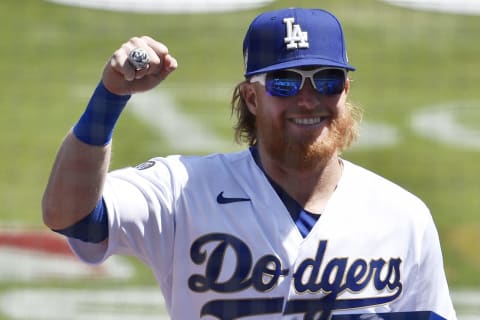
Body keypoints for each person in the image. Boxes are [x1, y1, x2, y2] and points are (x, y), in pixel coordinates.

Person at [42, 7, 457, 320]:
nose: (308, 99)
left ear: (345, 91)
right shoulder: (182, 190)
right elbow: (70, 215)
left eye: (326, 81)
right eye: (286, 83)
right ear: (253, 98)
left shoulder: (402, 215)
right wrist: (111, 95)